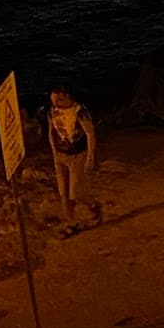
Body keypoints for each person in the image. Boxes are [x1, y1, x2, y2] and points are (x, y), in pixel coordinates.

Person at [47, 86, 98, 230]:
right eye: (54, 100)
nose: (56, 103)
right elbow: (51, 132)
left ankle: (93, 205)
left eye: (59, 100)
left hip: (76, 155)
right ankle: (71, 222)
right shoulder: (52, 111)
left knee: (75, 192)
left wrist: (90, 156)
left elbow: (89, 133)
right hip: (60, 155)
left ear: (67, 96)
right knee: (63, 193)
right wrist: (54, 151)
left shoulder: (79, 111)